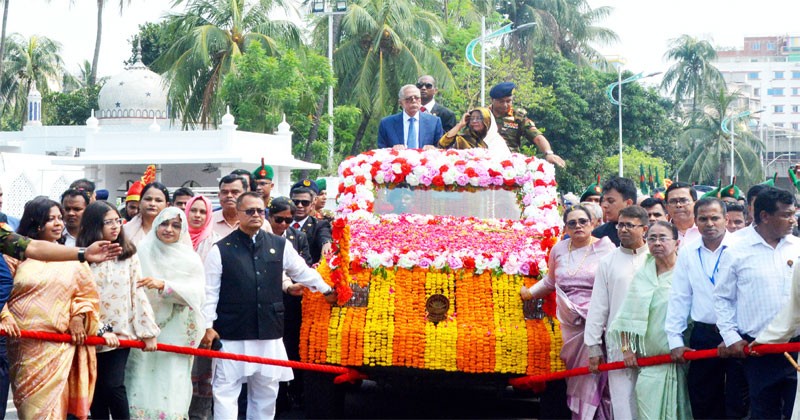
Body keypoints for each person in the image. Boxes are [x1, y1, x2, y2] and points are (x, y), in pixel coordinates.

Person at [200, 192, 337, 419]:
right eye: (249, 211)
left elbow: (301, 271)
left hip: (269, 332)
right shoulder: (220, 249)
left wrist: (326, 290)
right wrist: (207, 325)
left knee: (266, 393)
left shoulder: (279, 244)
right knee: (225, 392)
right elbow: (209, 291)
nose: (255, 215)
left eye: (259, 211)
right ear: (239, 214)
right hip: (232, 332)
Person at [1, 197, 100, 419]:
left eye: (59, 218)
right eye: (49, 219)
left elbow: (86, 295)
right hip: (23, 344)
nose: (58, 224)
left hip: (59, 346)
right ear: (35, 222)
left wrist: (77, 318)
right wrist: (4, 315)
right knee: (31, 410)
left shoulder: (72, 257)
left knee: (56, 410)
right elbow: (1, 289)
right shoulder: (14, 254)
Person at [520, 205, 615, 419]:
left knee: (599, 377)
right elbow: (550, 281)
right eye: (572, 223)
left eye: (583, 221)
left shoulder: (607, 248)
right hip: (569, 324)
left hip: (597, 320)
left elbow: (614, 285)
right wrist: (530, 293)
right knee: (577, 378)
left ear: (593, 223)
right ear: (566, 227)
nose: (578, 226)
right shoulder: (559, 249)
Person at [714, 186, 800, 419]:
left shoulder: (797, 247)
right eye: (786, 215)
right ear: (764, 216)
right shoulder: (736, 251)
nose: (793, 220)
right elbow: (722, 299)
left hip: (796, 346)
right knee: (764, 412)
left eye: (794, 213)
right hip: (757, 350)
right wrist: (732, 338)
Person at [77, 201, 160, 420]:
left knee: (114, 385)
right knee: (97, 390)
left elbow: (137, 294)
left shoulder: (128, 254)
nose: (115, 227)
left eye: (117, 221)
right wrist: (102, 331)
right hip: (93, 333)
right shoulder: (83, 257)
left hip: (121, 333)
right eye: (108, 222)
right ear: (95, 225)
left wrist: (148, 331)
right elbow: (82, 300)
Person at [665, 198, 747, 419]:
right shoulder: (689, 252)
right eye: (703, 219)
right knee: (703, 401)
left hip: (740, 336)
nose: (709, 223)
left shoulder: (743, 249)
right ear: (696, 221)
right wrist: (675, 340)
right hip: (704, 335)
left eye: (714, 218)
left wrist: (732, 335)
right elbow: (679, 297)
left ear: (726, 219)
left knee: (739, 402)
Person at [126, 207, 206, 418]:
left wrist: (164, 285)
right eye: (164, 224)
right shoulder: (141, 251)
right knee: (140, 378)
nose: (169, 229)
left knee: (172, 382)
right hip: (143, 329)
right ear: (156, 225)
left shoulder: (191, 259)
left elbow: (197, 294)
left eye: (176, 225)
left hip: (176, 334)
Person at [608, 221, 691, 419]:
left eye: (663, 238)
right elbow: (628, 312)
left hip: (683, 361)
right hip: (650, 365)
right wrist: (627, 349)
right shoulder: (643, 274)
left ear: (677, 243)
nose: (657, 243)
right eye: (652, 238)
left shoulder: (686, 273)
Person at [585, 205, 650, 419]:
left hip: (653, 341)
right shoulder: (608, 261)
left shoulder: (655, 257)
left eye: (630, 225)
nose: (623, 230)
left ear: (644, 229)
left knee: (652, 402)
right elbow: (598, 307)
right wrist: (593, 347)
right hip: (618, 345)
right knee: (623, 404)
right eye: (620, 225)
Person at [487, 81, 565, 167]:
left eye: (508, 101)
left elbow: (537, 136)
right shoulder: (481, 115)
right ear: (492, 100)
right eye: (501, 101)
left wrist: (549, 153)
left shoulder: (518, 117)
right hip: (486, 161)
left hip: (510, 164)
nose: (505, 105)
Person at [377, 84, 443, 149]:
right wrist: (392, 150)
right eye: (409, 98)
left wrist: (433, 149)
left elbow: (441, 149)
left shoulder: (434, 122)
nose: (414, 101)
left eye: (417, 98)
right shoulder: (387, 123)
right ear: (400, 102)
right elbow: (381, 151)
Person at [290, 180, 332, 263]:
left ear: (312, 204)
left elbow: (324, 235)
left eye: (305, 203)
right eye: (295, 202)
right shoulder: (281, 221)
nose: (300, 206)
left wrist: (326, 243)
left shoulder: (319, 225)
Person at [592, 176, 636, 246]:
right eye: (603, 201)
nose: (604, 205)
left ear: (628, 203)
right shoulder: (599, 234)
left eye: (610, 201)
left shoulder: (648, 232)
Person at [438, 107, 504, 150]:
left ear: (488, 121)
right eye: (472, 119)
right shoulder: (465, 140)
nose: (474, 121)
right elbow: (443, 143)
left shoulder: (498, 142)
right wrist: (460, 125)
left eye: (479, 118)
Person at [664, 182, 700, 246]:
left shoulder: (705, 231)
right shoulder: (661, 233)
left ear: (696, 204)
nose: (678, 205)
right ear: (667, 207)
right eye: (673, 201)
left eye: (683, 200)